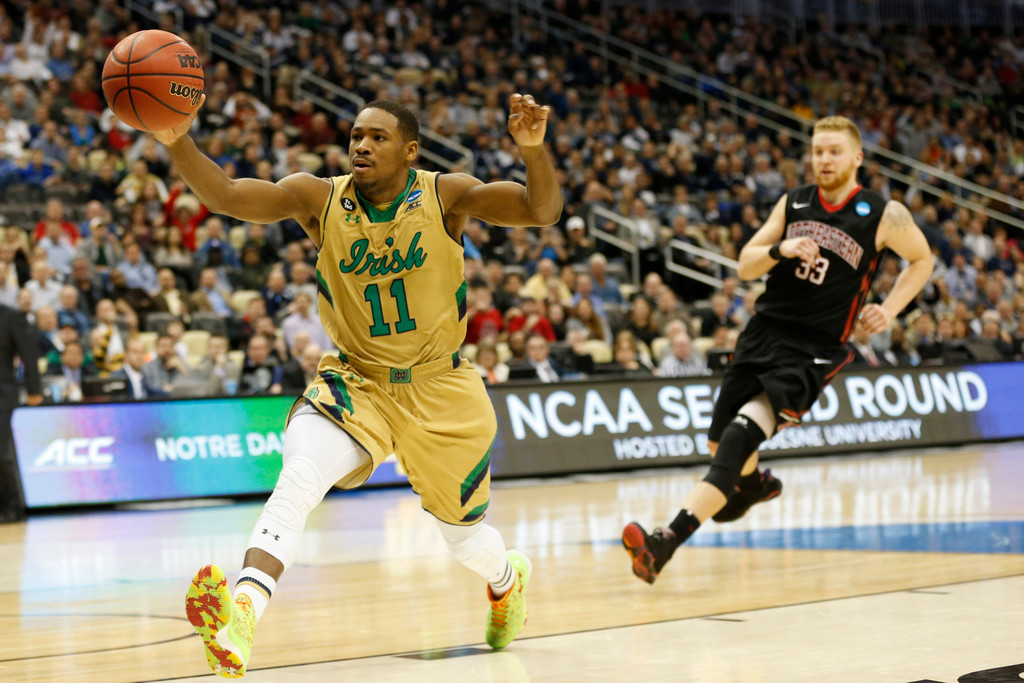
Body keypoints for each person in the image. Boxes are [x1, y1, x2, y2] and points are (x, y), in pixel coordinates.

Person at [158, 93, 560, 676]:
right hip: (358, 382)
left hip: (440, 389)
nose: (361, 145)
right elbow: (225, 196)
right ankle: (241, 617)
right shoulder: (317, 197)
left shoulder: (444, 194)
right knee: (296, 481)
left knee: (464, 539)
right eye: (355, 136)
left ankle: (505, 580)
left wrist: (533, 152)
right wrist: (176, 140)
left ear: (410, 150)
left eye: (377, 137)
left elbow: (540, 211)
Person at [622, 116, 933, 584]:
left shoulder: (882, 213)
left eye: (833, 151)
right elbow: (746, 264)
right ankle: (750, 486)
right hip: (763, 331)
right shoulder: (795, 202)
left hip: (814, 348)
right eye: (817, 151)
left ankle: (665, 542)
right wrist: (781, 249)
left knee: (738, 436)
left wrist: (889, 309)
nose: (823, 159)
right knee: (719, 444)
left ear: (857, 158)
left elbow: (923, 259)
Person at [0, 303, 42, 522]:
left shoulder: (11, 316)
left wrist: (34, 389)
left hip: (3, 394)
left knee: (2, 454)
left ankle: (12, 506)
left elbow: (28, 352)